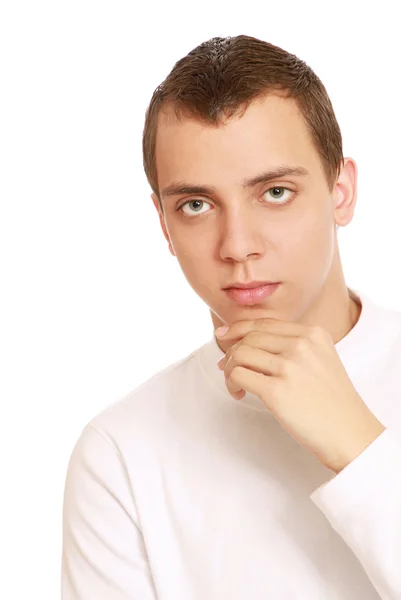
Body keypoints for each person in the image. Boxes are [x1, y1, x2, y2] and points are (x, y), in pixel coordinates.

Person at [61, 35, 401, 599]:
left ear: (340, 190)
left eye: (274, 192)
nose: (237, 245)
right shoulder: (120, 454)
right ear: (164, 224)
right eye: (196, 205)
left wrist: (359, 448)